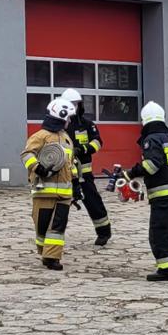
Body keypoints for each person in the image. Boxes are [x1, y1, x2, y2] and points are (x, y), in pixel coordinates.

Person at [127, 101, 168, 282]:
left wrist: (132, 173)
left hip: (162, 193)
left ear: (144, 121)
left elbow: (151, 166)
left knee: (158, 232)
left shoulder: (151, 140)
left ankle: (167, 269)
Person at [21, 98, 78, 271]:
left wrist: (77, 184)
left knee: (57, 227)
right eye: (68, 118)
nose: (69, 121)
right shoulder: (40, 136)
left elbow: (71, 163)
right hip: (43, 191)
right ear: (61, 116)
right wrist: (39, 169)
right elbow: (26, 154)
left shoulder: (66, 138)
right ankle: (45, 252)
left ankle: (52, 257)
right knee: (42, 226)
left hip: (64, 194)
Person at [59, 89, 111, 246]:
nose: (74, 107)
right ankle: (54, 235)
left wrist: (83, 149)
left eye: (76, 104)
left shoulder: (88, 124)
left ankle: (104, 232)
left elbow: (97, 142)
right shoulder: (60, 125)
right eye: (71, 104)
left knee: (93, 202)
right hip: (64, 173)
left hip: (84, 173)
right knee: (60, 205)